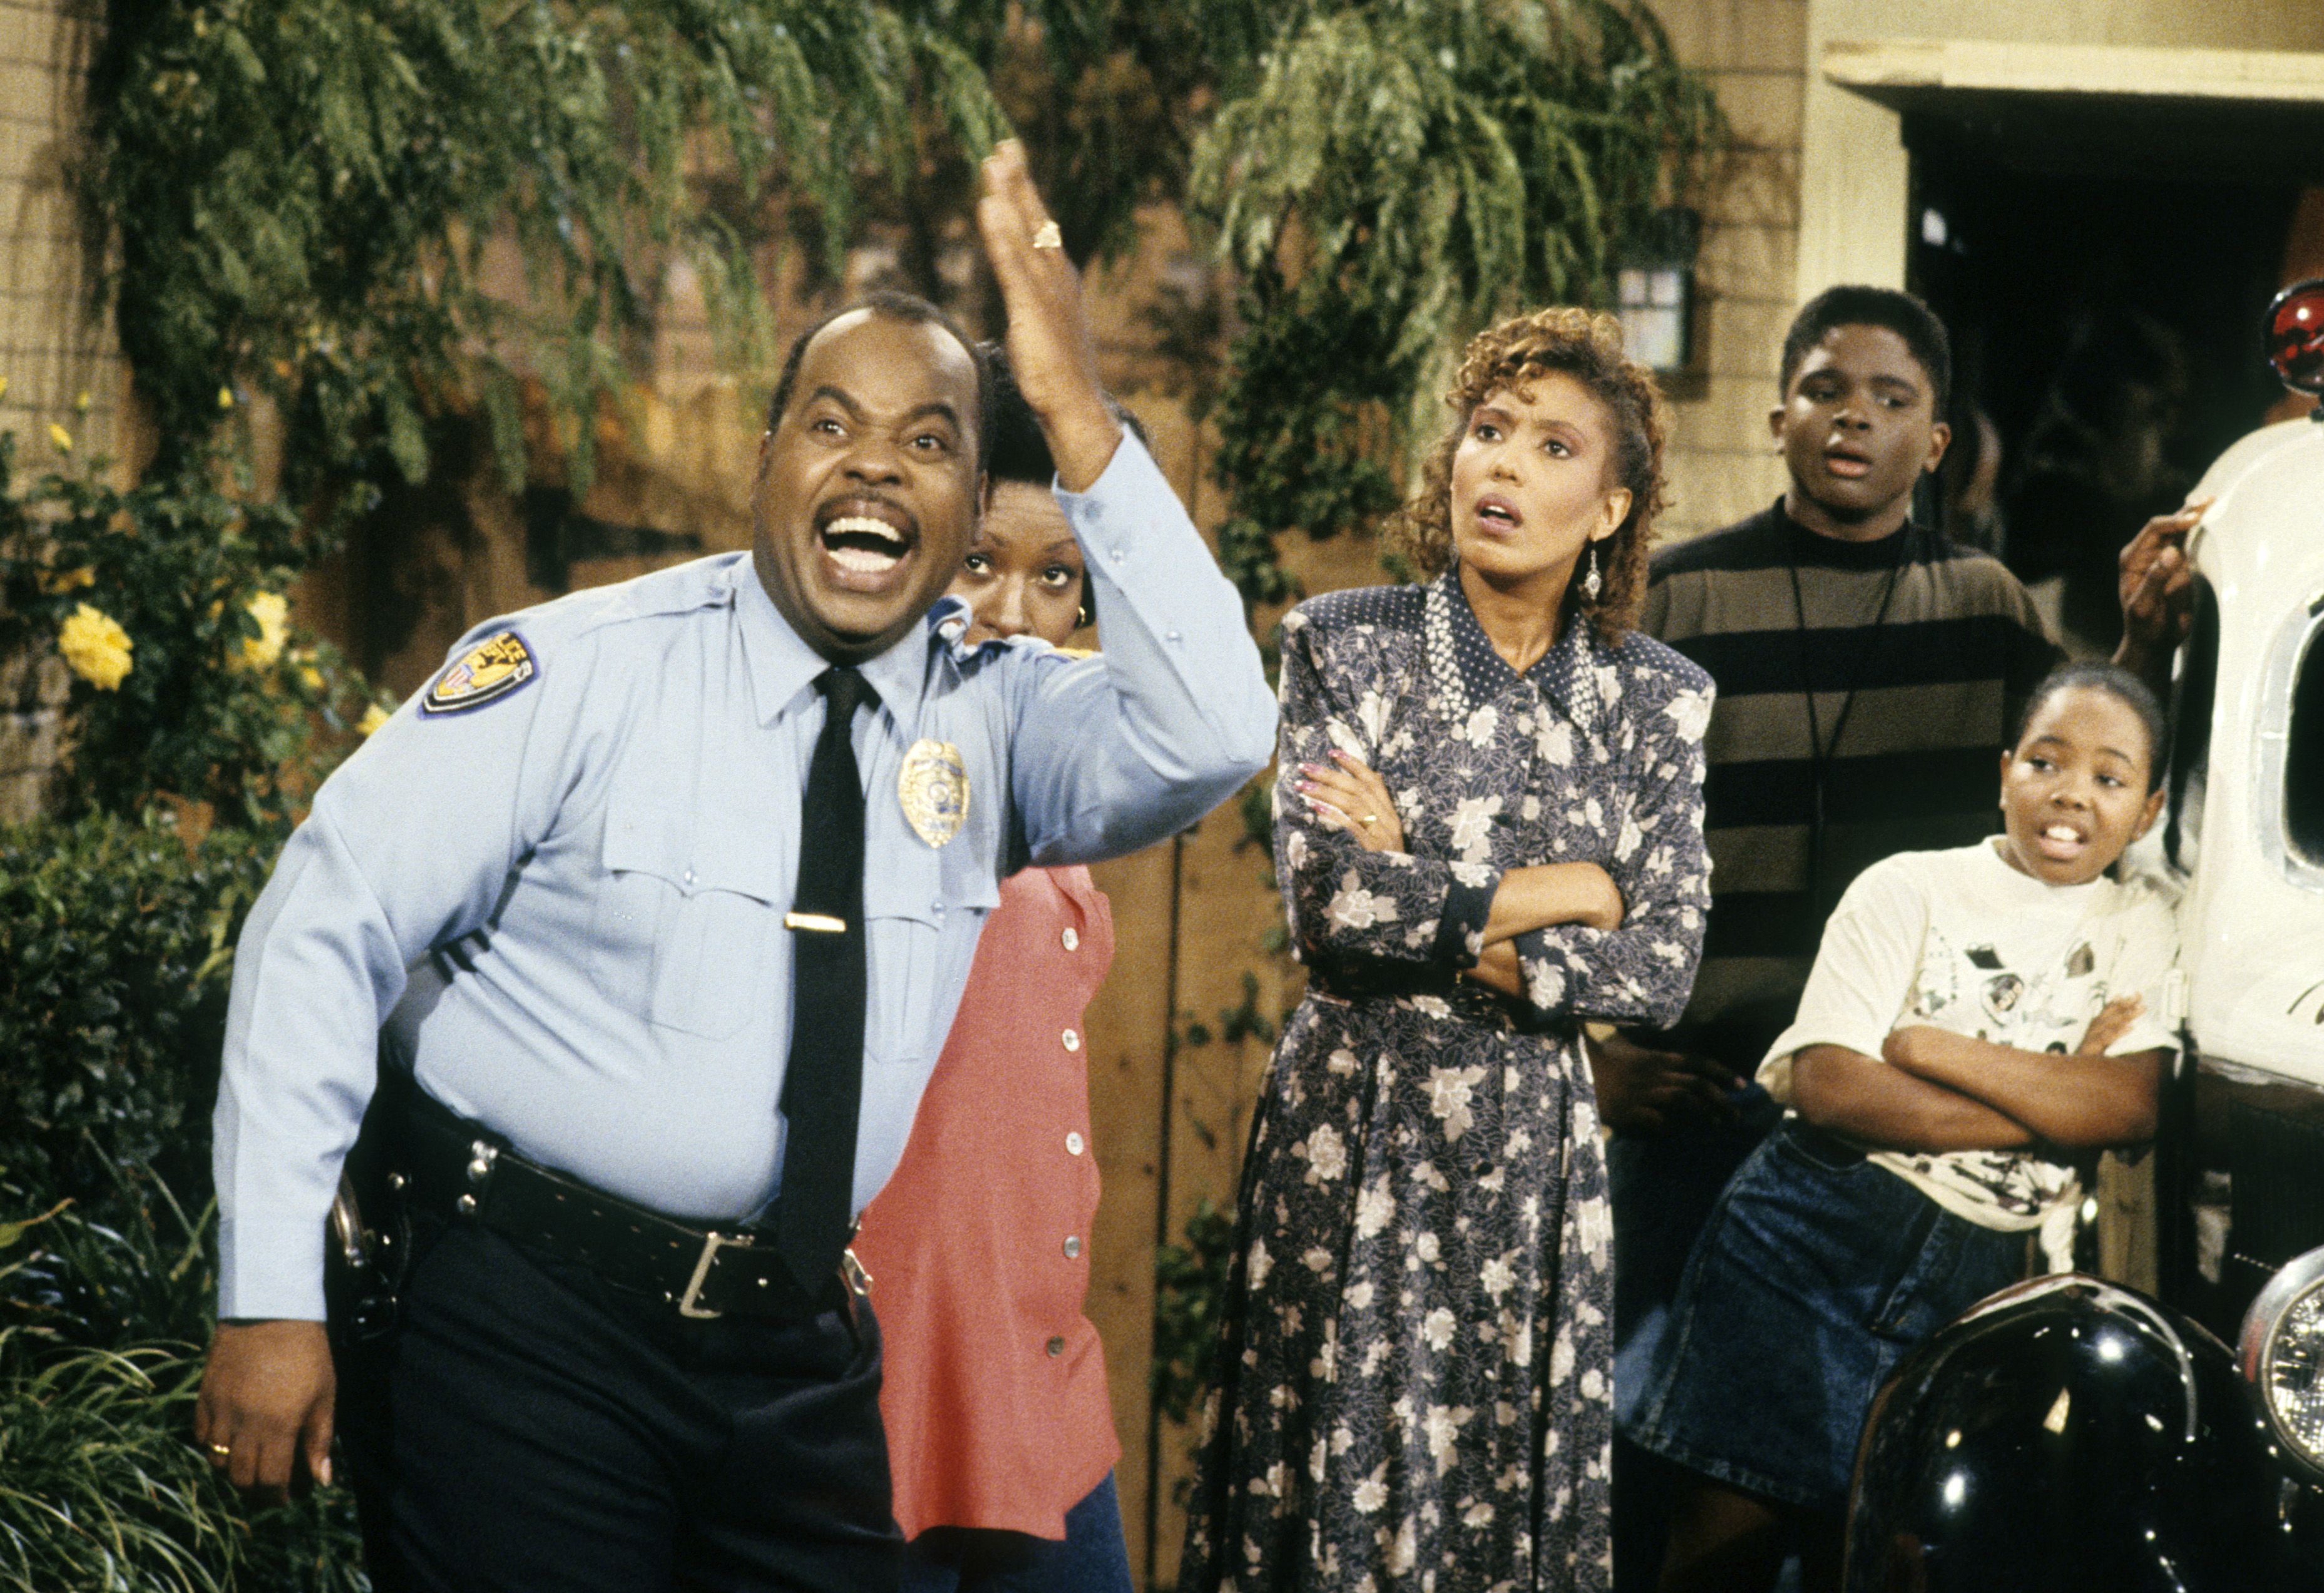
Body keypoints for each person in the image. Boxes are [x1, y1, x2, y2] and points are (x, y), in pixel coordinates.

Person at [190, 141, 1274, 1593]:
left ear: (963, 512)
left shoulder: (1000, 718)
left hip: (797, 1353)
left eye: (933, 441)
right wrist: (269, 1298)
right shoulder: (576, 673)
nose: (878, 462)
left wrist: (1076, 409)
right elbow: (323, 925)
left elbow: (1216, 730)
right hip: (526, 1324)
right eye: (833, 425)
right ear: (766, 461)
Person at [1598, 285, 2195, 1588]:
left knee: (1881, 1528)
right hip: (1702, 1098)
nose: (1852, 419)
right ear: (1778, 415)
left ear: (1938, 442)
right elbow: (1581, 846)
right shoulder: (1682, 601)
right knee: (1659, 1488)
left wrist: (2144, 625)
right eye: (1826, 390)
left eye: (1891, 399)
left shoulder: (1981, 604)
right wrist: (1598, 1060)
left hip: (1912, 1126)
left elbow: (2089, 761)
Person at [1175, 307, 1714, 1593]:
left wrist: (1419, 876)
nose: (1505, 466)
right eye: (1488, 432)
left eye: (1552, 446)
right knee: (1336, 1477)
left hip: (1536, 1150)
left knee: (1499, 1498)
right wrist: (1574, 891)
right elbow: (1330, 910)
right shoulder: (1344, 644)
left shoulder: (1658, 698)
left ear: (1610, 506)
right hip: (1355, 1127)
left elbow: (1663, 965)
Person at [1625, 661, 2178, 1593]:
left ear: (2151, 808)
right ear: (2003, 771)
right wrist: (2047, 1105)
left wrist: (1925, 1043)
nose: (2070, 794)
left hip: (1981, 1276)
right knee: (1719, 1554)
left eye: (2108, 777)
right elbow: (1832, 1083)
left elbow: (2123, 1106)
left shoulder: (2140, 924)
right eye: (2045, 761)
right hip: (1807, 1232)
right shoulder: (1907, 888)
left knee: (1895, 1563)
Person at [851, 350, 1134, 1593]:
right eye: (979, 564)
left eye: (1054, 576)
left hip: (1043, 1365)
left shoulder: (1066, 790)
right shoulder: (871, 765)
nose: (1011, 609)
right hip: (893, 1365)